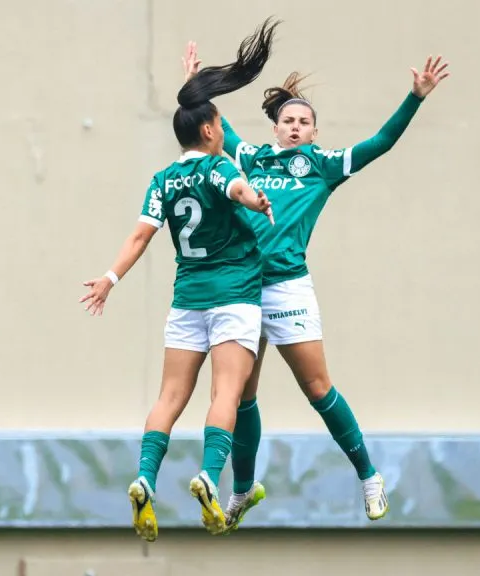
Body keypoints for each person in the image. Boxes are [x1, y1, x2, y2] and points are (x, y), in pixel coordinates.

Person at [181, 44, 450, 530]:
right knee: (241, 395)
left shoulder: (323, 165)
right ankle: (242, 490)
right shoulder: (252, 157)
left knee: (318, 388)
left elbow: (380, 142)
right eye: (288, 120)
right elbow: (215, 126)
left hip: (287, 289)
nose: (295, 126)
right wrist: (195, 85)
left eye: (304, 122)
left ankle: (368, 476)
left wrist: (416, 97)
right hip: (243, 287)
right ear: (276, 127)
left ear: (314, 132)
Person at [79, 19, 280, 542]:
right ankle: (209, 477)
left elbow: (139, 237)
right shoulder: (218, 168)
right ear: (209, 131)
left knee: (169, 397)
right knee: (227, 393)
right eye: (218, 123)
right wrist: (255, 199)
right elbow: (235, 187)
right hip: (233, 296)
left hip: (187, 300)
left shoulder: (163, 180)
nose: (221, 130)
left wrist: (109, 279)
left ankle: (145, 478)